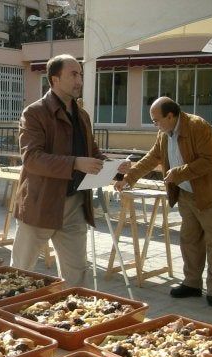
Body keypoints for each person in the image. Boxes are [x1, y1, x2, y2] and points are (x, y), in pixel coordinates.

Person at [11, 54, 129, 288]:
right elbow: (32, 159)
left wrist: (115, 168)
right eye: (73, 75)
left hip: (75, 204)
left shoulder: (82, 115)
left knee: (76, 274)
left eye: (81, 75)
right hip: (40, 205)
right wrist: (75, 163)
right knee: (20, 273)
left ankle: (72, 319)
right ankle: (7, 318)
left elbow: (92, 153)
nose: (79, 81)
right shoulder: (34, 113)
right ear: (54, 79)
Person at [114, 96, 212, 307]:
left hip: (210, 194)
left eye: (156, 120)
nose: (154, 125)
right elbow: (152, 158)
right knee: (190, 241)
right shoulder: (164, 133)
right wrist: (128, 179)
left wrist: (178, 173)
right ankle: (192, 284)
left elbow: (209, 161)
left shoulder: (198, 126)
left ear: (171, 116)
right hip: (186, 194)